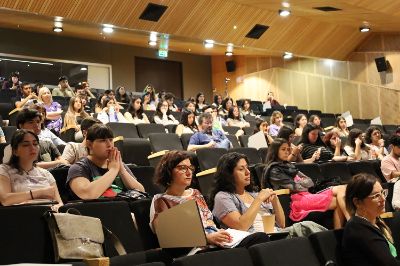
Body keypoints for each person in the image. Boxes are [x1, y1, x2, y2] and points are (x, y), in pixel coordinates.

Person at [150, 151, 270, 256]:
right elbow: (167, 236)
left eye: (190, 168)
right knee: (259, 240)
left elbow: (209, 221)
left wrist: (219, 233)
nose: (188, 172)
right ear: (168, 171)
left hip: (216, 242)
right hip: (194, 250)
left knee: (260, 237)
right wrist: (207, 238)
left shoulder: (195, 193)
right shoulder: (161, 200)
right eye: (182, 168)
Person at [211, 152, 326, 237]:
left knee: (309, 229)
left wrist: (275, 201)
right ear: (228, 174)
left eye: (247, 167)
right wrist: (259, 199)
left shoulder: (253, 194)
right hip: (257, 240)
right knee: (306, 226)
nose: (248, 172)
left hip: (276, 235)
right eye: (241, 169)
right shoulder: (223, 197)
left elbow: (281, 225)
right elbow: (241, 226)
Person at [262, 138, 350, 229]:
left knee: (343, 189)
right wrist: (302, 183)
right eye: (283, 149)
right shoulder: (274, 170)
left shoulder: (289, 166)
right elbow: (296, 188)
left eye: (288, 149)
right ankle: (348, 225)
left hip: (307, 195)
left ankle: (345, 227)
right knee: (338, 201)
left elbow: (310, 182)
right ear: (275, 151)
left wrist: (300, 183)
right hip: (297, 201)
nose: (287, 152)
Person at [67, 124, 144, 200]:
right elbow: (87, 194)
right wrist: (113, 170)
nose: (109, 145)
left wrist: (121, 170)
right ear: (89, 144)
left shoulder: (118, 164)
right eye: (103, 141)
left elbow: (141, 192)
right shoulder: (78, 168)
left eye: (111, 140)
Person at [342, 173, 398, 266]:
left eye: (383, 193)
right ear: (358, 202)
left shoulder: (376, 221)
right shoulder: (357, 228)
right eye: (376, 196)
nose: (383, 199)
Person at [0, 130, 63, 210]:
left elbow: (59, 203)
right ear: (15, 151)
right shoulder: (4, 170)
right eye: (26, 145)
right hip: (20, 216)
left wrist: (57, 207)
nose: (33, 148)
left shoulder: (46, 173)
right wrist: (40, 193)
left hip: (48, 215)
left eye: (35, 144)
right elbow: (5, 200)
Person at [3, 109, 69, 169]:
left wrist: (56, 163)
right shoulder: (13, 147)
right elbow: (27, 166)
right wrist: (57, 163)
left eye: (38, 122)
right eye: (31, 122)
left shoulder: (47, 143)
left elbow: (64, 162)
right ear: (21, 126)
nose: (36, 125)